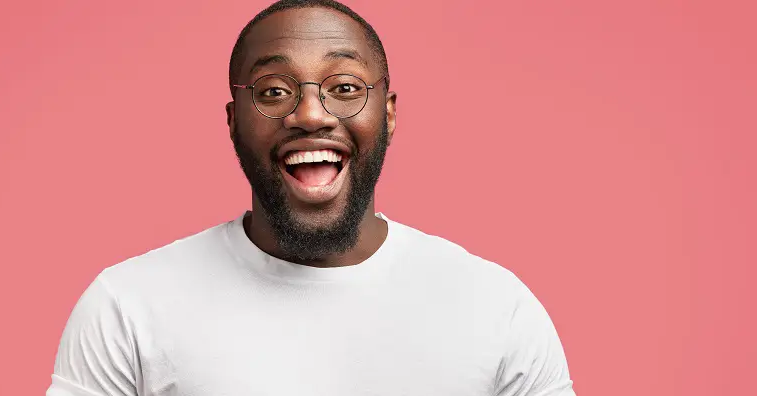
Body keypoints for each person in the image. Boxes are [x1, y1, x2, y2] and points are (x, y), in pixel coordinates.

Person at [46, 1, 577, 395]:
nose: (311, 114)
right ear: (234, 123)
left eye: (344, 87)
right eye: (274, 91)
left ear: (387, 115)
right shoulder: (127, 308)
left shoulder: (496, 307)